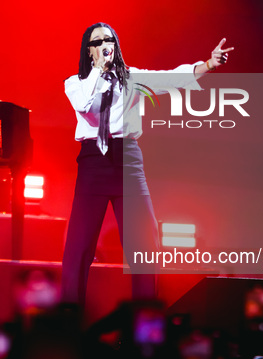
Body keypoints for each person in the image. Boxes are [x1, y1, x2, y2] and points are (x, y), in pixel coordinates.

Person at [62, 22, 233, 306]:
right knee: (78, 249)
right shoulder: (75, 83)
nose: (106, 45)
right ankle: (66, 327)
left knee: (145, 248)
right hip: (93, 162)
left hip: (127, 160)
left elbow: (171, 79)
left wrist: (208, 64)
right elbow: (86, 108)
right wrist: (99, 72)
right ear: (88, 50)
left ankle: (144, 329)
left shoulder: (132, 78)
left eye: (110, 39)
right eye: (98, 41)